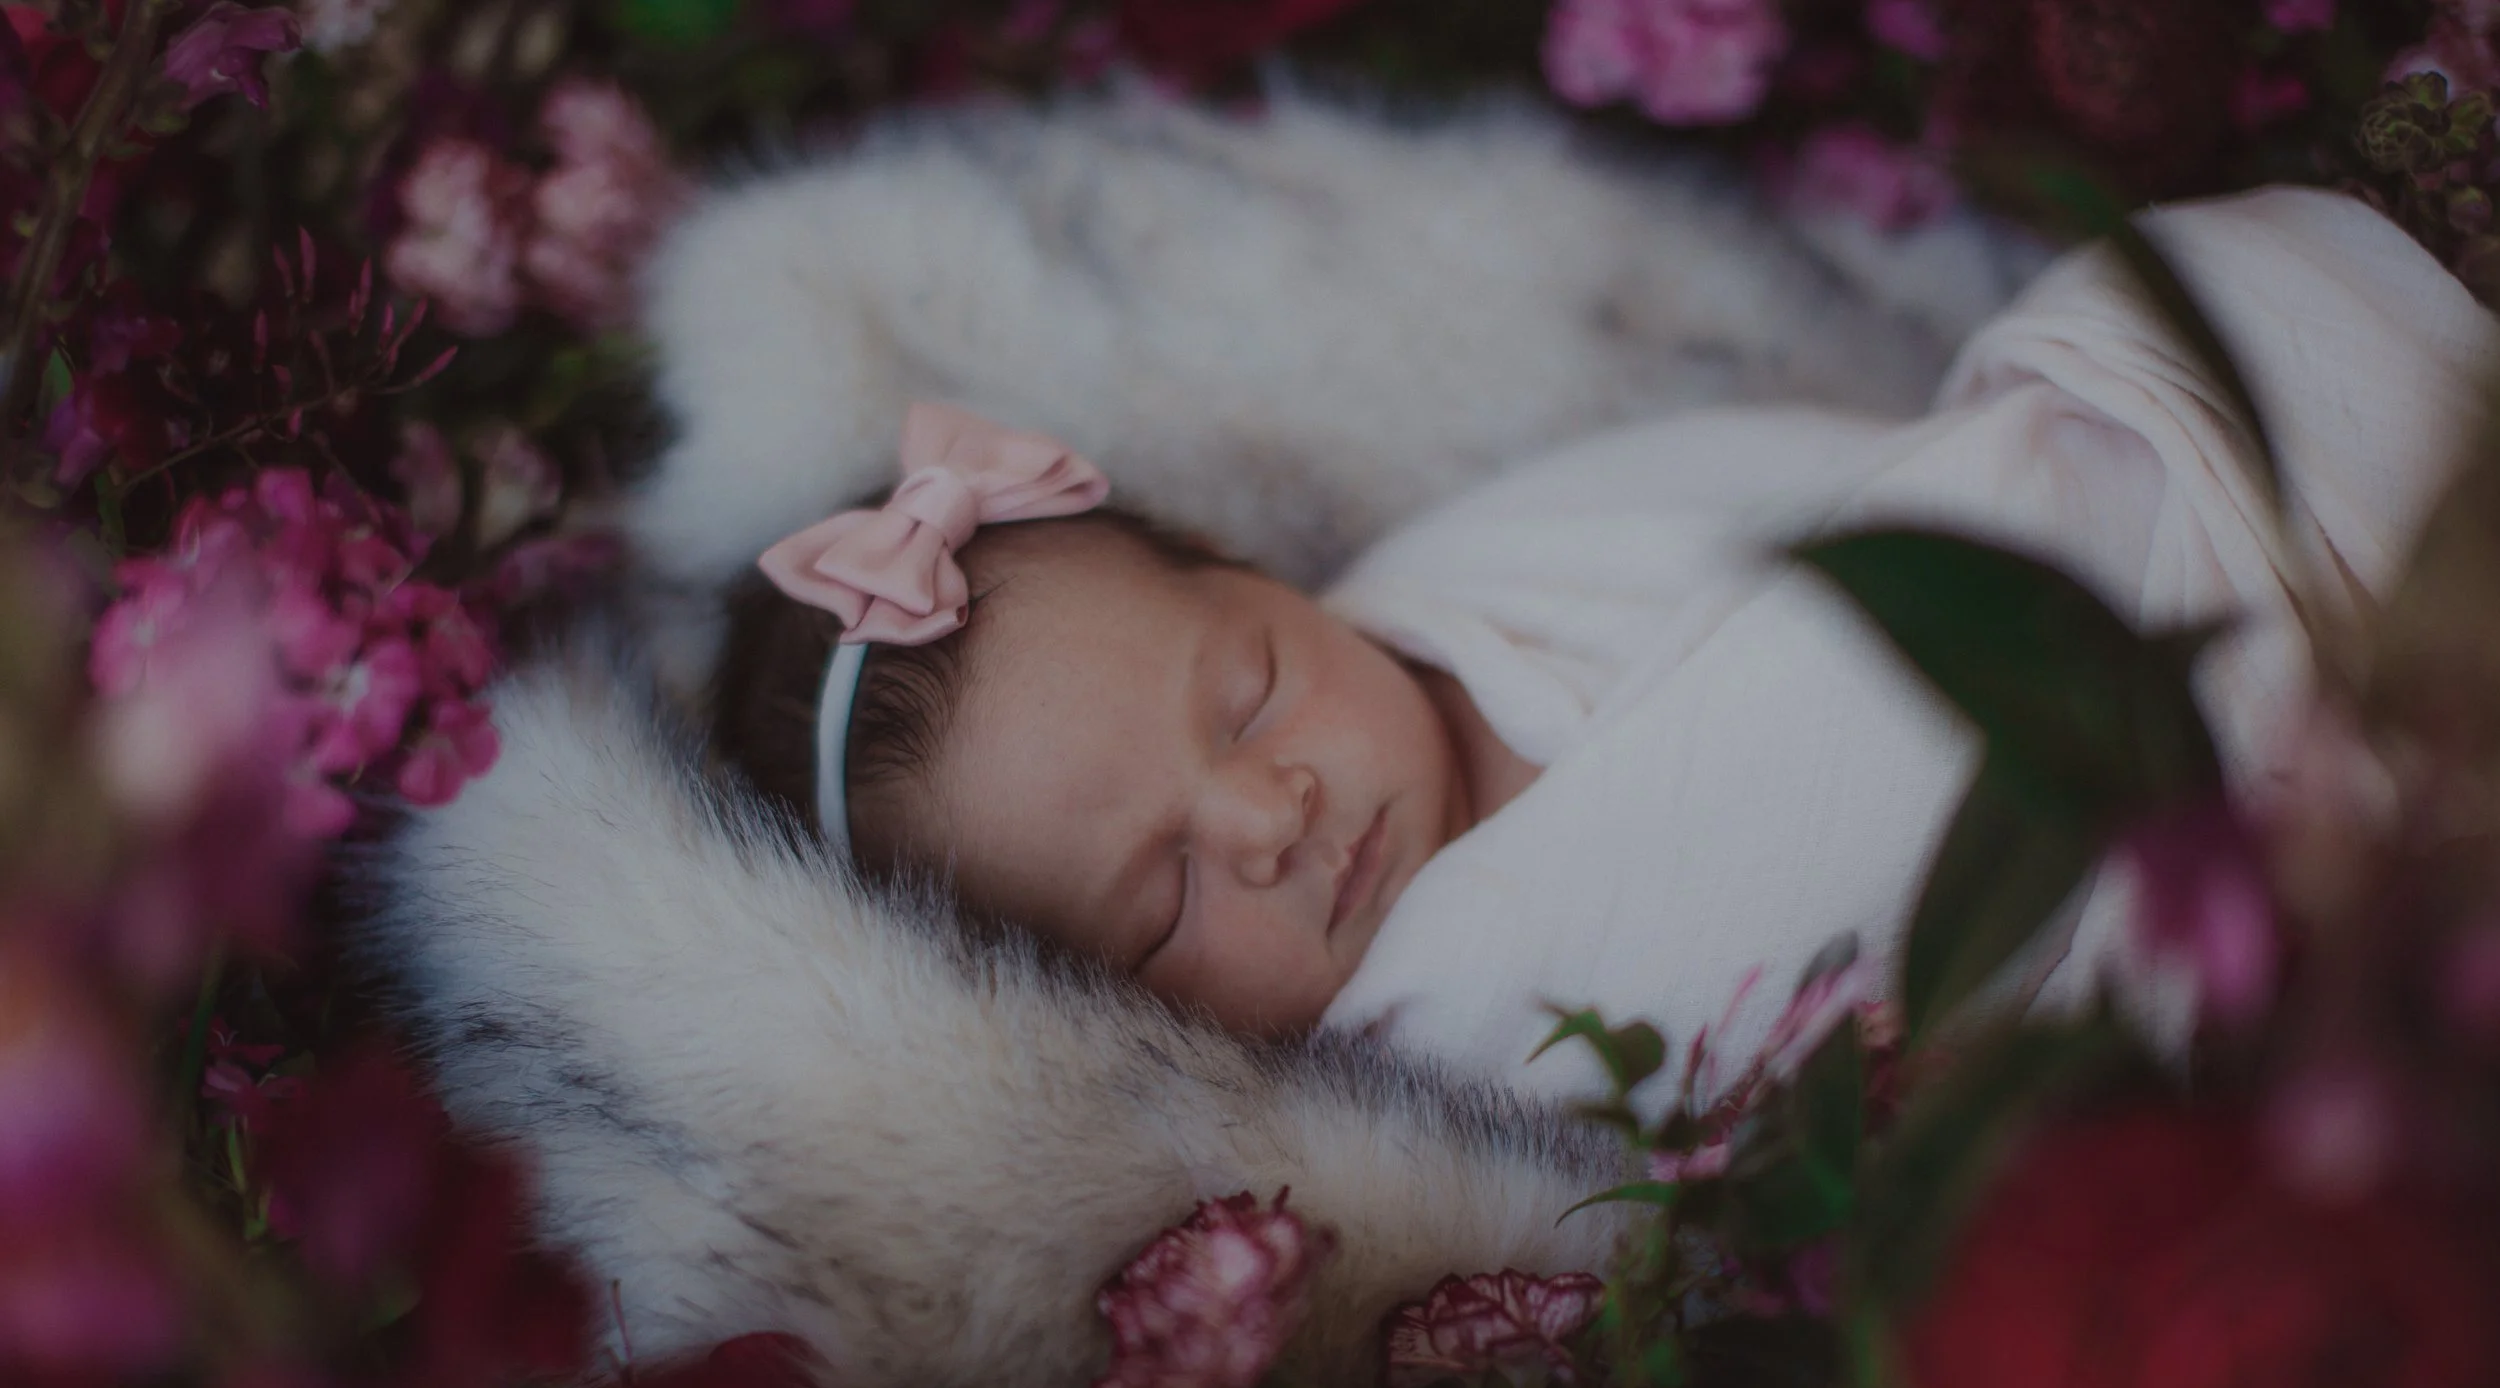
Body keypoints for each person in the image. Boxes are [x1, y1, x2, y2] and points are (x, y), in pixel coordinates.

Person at [709, 187, 2499, 1100]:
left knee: (2157, 313)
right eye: (1162, 898)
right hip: (2146, 870)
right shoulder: (1432, 1064)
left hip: (2139, 574)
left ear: (1261, 573)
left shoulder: (1488, 559)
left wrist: (2070, 476)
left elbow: (1856, 496)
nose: (1266, 813)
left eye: (1243, 688)